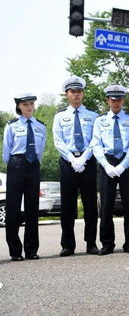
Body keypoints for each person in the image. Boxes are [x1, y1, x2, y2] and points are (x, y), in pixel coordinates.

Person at [90, 85, 129, 255]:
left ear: (123, 100)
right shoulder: (100, 120)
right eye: (113, 99)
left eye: (119, 99)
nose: (116, 102)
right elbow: (95, 144)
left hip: (126, 162)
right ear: (107, 100)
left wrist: (123, 165)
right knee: (106, 205)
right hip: (107, 162)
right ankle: (107, 243)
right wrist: (106, 165)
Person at [53, 76, 99, 256]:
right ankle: (67, 244)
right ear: (67, 94)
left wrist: (84, 158)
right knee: (67, 205)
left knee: (90, 205)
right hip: (68, 163)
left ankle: (91, 243)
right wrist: (73, 159)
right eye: (73, 92)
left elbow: (96, 140)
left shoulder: (93, 116)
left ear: (83, 94)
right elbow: (58, 141)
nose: (76, 95)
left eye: (79, 91)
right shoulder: (60, 116)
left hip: (88, 162)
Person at [2, 93, 46, 261]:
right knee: (13, 208)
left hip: (33, 165)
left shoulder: (40, 126)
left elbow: (40, 150)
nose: (29, 107)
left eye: (31, 104)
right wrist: (15, 164)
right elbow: (6, 151)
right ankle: (15, 251)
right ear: (19, 106)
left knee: (32, 208)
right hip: (16, 164)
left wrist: (32, 163)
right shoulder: (11, 125)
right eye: (26, 104)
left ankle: (31, 250)